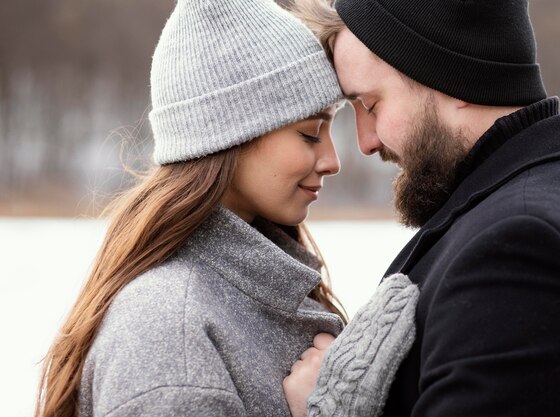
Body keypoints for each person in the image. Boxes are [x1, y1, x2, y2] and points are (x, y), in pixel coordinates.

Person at [283, 1, 560, 416]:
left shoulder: (524, 252)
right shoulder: (552, 193)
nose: (366, 142)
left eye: (371, 105)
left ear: (449, 75)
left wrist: (326, 407)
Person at [34, 1, 348, 416]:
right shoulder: (169, 336)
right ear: (228, 136)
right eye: (310, 132)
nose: (332, 160)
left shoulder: (246, 291)